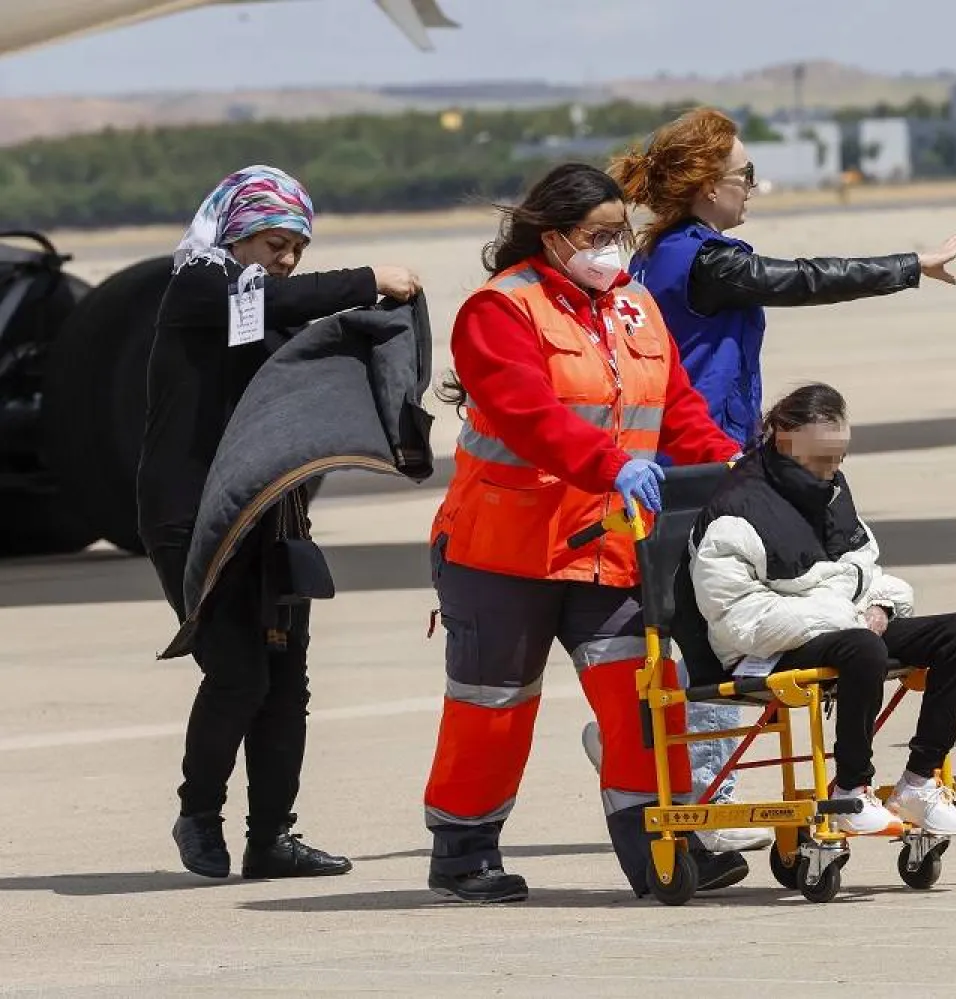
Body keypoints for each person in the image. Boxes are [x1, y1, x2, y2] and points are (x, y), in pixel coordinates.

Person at [607, 107, 956, 848]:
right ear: (705, 183)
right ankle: (702, 802)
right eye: (744, 175)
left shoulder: (658, 257)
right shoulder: (701, 261)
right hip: (699, 468)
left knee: (700, 641)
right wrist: (909, 266)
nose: (753, 187)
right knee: (715, 644)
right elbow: (802, 278)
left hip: (695, 463)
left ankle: (661, 761)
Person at [421, 163, 745, 903]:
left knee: (642, 699)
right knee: (491, 711)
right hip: (503, 551)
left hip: (608, 547)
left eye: (617, 234)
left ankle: (662, 845)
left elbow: (677, 408)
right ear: (553, 235)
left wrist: (731, 466)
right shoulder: (500, 310)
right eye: (596, 236)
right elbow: (527, 416)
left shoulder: (634, 308)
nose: (611, 249)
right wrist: (610, 464)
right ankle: (464, 852)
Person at [138, 164, 422, 879]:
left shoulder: (263, 307)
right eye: (273, 243)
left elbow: (306, 328)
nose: (285, 260)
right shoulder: (201, 287)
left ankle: (271, 838)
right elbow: (281, 300)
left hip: (270, 511)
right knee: (237, 673)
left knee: (285, 678)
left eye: (296, 246)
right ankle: (199, 813)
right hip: (190, 513)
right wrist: (369, 278)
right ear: (236, 233)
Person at [687, 383, 956, 838]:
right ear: (783, 437)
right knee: (863, 648)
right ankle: (850, 789)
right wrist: (845, 617)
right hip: (769, 645)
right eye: (821, 460)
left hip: (843, 625)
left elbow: (862, 566)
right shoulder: (736, 510)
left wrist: (881, 604)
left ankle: (918, 784)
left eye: (838, 459)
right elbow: (740, 619)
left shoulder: (832, 491)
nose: (832, 471)